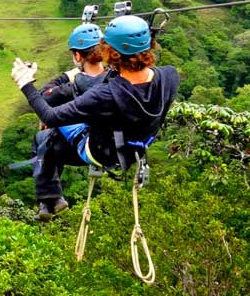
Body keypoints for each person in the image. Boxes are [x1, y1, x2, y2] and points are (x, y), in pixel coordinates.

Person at [12, 15, 179, 211]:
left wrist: (25, 84)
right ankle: (50, 199)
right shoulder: (169, 76)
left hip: (101, 152)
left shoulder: (105, 95)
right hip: (135, 148)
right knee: (58, 131)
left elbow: (49, 115)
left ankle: (49, 198)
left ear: (111, 53)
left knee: (45, 135)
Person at [29, 23, 111, 220]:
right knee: (50, 136)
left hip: (82, 148)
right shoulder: (114, 77)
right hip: (111, 146)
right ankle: (50, 201)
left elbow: (43, 97)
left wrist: (70, 74)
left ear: (77, 56)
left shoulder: (74, 86)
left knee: (43, 139)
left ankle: (49, 199)